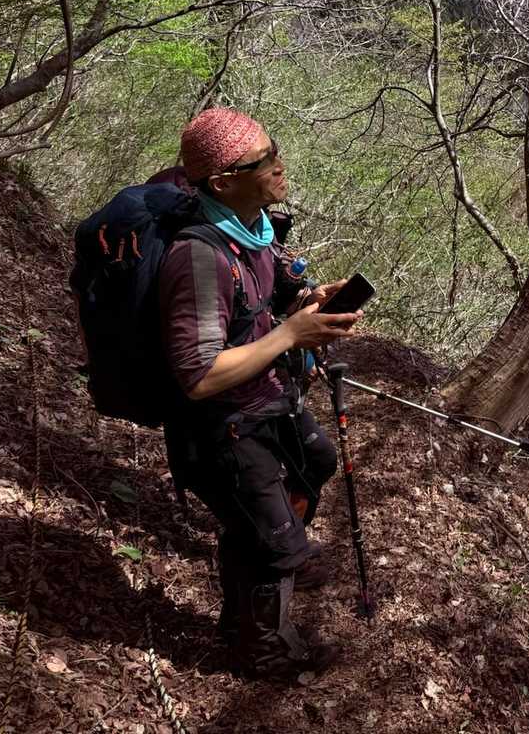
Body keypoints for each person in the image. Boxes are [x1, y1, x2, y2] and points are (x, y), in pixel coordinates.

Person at [157, 107, 363, 680]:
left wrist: (307, 304)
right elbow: (199, 376)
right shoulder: (199, 257)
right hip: (222, 423)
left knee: (315, 463)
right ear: (223, 182)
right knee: (272, 543)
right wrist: (290, 335)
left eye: (274, 150)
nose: (279, 164)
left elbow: (256, 310)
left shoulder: (254, 232)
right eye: (262, 160)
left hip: (267, 400)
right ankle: (263, 650)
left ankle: (265, 558)